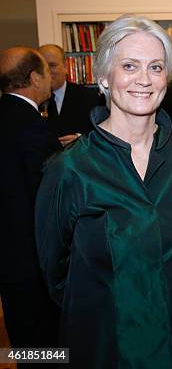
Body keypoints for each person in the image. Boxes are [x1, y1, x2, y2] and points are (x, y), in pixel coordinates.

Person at [35, 15, 172, 368]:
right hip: (103, 346)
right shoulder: (68, 169)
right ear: (103, 76)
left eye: (155, 67)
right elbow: (54, 274)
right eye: (129, 66)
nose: (144, 79)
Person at [0, 47, 61, 355]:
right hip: (35, 266)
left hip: (9, 265)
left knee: (25, 347)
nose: (51, 79)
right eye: (48, 73)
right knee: (47, 348)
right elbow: (49, 201)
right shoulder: (33, 127)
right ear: (35, 78)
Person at [38, 44, 105, 146]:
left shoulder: (90, 97)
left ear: (65, 67)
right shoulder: (32, 101)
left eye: (52, 65)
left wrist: (81, 140)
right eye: (43, 67)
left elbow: (104, 135)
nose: (47, 72)